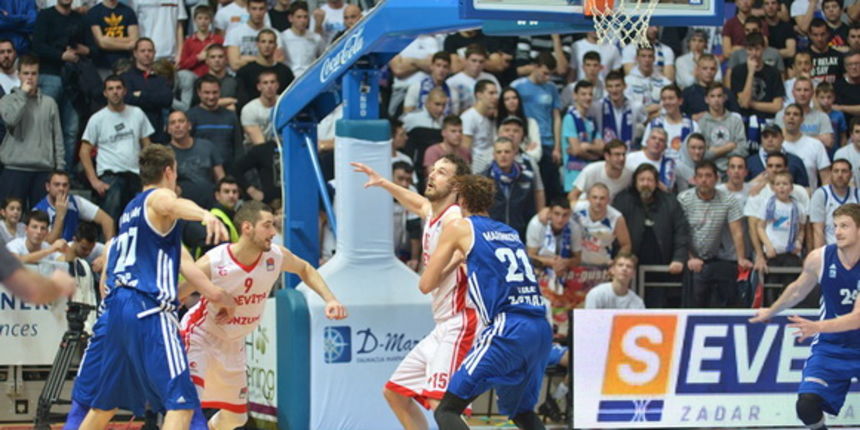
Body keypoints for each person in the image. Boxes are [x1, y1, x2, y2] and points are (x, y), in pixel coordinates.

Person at [72, 144, 234, 430]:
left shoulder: (130, 210)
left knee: (104, 406)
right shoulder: (160, 197)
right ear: (169, 171)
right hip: (149, 309)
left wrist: (214, 294)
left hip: (117, 310)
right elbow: (171, 204)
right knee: (181, 404)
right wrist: (206, 215)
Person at [180, 201, 346, 430]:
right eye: (267, 226)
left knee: (236, 419)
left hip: (234, 343)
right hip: (201, 335)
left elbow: (305, 269)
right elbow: (179, 293)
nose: (273, 232)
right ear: (247, 228)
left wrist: (331, 299)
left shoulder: (275, 257)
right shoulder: (215, 261)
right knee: (189, 406)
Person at [351, 155, 479, 430]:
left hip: (461, 321)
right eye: (433, 170)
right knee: (395, 393)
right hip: (442, 325)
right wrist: (385, 183)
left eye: (442, 172)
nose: (432, 175)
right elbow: (418, 203)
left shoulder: (455, 220)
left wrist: (449, 264)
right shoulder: (437, 212)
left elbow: (427, 284)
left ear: (456, 184)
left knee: (444, 407)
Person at [424, 174, 552, 430]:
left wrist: (455, 261)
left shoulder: (460, 227)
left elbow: (426, 283)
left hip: (508, 327)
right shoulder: (510, 231)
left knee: (446, 411)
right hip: (541, 328)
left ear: (461, 199)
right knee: (523, 413)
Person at [751, 203, 860, 430]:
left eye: (845, 226)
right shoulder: (819, 257)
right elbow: (798, 289)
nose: (837, 231)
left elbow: (857, 318)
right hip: (831, 347)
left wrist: (818, 326)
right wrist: (771, 311)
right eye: (835, 226)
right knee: (806, 406)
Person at [612, 163, 689, 307]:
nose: (645, 184)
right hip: (631, 262)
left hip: (662, 262)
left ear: (656, 183)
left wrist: (679, 258)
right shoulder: (623, 200)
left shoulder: (670, 201)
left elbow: (681, 232)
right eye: (642, 180)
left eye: (649, 180)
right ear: (635, 182)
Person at [678, 160, 753, 308]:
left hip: (713, 256)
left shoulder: (728, 199)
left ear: (717, 178)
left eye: (708, 176)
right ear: (694, 179)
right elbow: (679, 232)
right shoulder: (684, 199)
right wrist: (691, 258)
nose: (704, 180)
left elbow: (737, 231)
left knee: (727, 278)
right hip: (687, 255)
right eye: (700, 176)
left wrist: (741, 258)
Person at [79, 75, 154, 223]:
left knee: (138, 221)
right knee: (110, 221)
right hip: (110, 177)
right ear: (105, 93)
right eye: (111, 89)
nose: (115, 92)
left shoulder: (137, 113)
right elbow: (84, 151)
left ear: (125, 91)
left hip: (136, 176)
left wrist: (149, 175)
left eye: (118, 88)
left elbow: (147, 146)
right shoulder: (97, 119)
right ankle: (109, 246)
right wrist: (94, 181)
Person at [0, 55, 64, 208]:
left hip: (43, 169)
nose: (30, 78)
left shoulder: (50, 103)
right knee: (9, 221)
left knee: (41, 221)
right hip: (14, 168)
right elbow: (11, 120)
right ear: (18, 74)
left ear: (38, 75)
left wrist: (60, 168)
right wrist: (22, 95)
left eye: (34, 73)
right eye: (26, 73)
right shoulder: (6, 100)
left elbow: (58, 138)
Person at [34, 171, 115, 244]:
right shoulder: (39, 210)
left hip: (74, 247)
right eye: (57, 185)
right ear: (48, 187)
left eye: (65, 185)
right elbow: (48, 243)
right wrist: (60, 216)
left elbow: (108, 221)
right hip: (53, 252)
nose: (61, 188)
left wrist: (108, 249)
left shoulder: (76, 201)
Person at [561, 80, 602, 191]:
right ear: (575, 96)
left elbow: (602, 148)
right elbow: (577, 149)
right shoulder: (569, 118)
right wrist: (593, 156)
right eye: (583, 94)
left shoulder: (591, 121)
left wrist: (587, 147)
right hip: (573, 177)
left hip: (589, 177)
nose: (588, 98)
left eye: (590, 94)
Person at [811, 159, 860, 247]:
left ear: (851, 174)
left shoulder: (858, 195)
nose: (840, 175)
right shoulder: (821, 194)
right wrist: (821, 256)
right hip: (830, 249)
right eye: (836, 171)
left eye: (844, 171)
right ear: (830, 174)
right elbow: (818, 231)